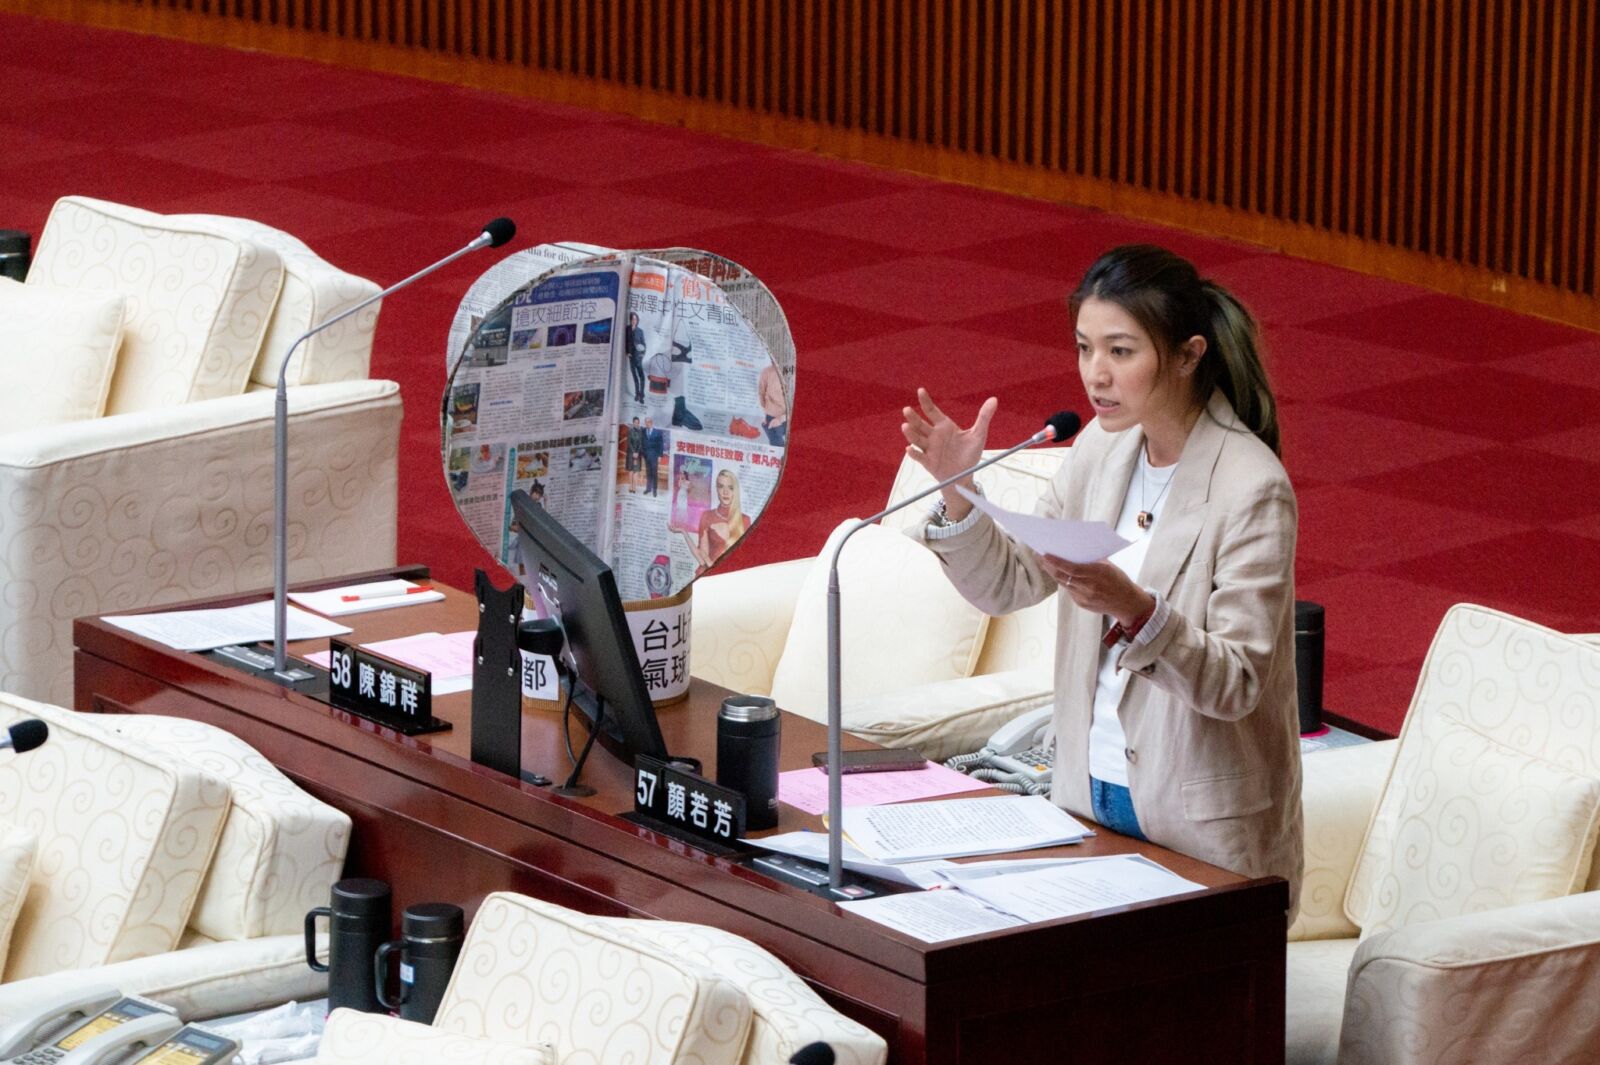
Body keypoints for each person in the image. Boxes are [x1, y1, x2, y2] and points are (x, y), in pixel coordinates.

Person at [904, 244, 1303, 913]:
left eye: (1121, 352)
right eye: (1085, 347)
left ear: (1187, 353)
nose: (1096, 375)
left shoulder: (1252, 487)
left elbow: (1238, 681)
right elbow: (1010, 582)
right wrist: (959, 496)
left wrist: (1138, 609)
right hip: (1088, 792)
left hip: (1199, 824)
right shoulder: (1100, 448)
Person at [682, 469, 748, 573]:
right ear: (716, 489)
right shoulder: (707, 516)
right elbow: (702, 557)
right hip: (710, 575)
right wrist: (683, 532)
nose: (725, 492)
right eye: (721, 486)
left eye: (730, 488)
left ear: (735, 490)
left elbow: (745, 558)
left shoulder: (745, 520)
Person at [758, 363, 787, 445]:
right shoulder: (767, 371)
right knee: (775, 441)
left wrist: (781, 418)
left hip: (787, 417)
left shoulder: (790, 370)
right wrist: (765, 412)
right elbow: (761, 393)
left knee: (776, 441)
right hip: (771, 415)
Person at [640, 418, 665, 497]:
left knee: (654, 473)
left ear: (651, 422)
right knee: (648, 473)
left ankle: (654, 490)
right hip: (646, 456)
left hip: (654, 456)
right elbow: (641, 442)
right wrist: (643, 454)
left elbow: (661, 445)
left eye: (648, 422)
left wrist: (660, 456)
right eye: (646, 422)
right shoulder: (643, 431)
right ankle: (648, 488)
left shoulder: (657, 432)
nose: (647, 424)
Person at [625, 312, 646, 403]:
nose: (634, 321)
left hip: (639, 357)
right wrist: (627, 352)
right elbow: (626, 341)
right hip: (631, 357)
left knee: (641, 376)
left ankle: (641, 395)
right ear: (630, 320)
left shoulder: (640, 331)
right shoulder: (627, 329)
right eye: (632, 319)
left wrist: (642, 354)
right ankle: (637, 394)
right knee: (635, 377)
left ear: (637, 320)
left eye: (635, 319)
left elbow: (644, 344)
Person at [625, 416, 644, 492]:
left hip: (638, 453)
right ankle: (630, 486)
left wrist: (637, 452)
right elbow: (629, 442)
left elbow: (640, 443)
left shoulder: (640, 432)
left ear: (638, 423)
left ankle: (634, 487)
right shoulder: (630, 431)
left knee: (636, 470)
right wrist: (633, 452)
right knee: (631, 470)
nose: (636, 424)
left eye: (637, 422)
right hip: (630, 453)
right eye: (635, 422)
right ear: (633, 423)